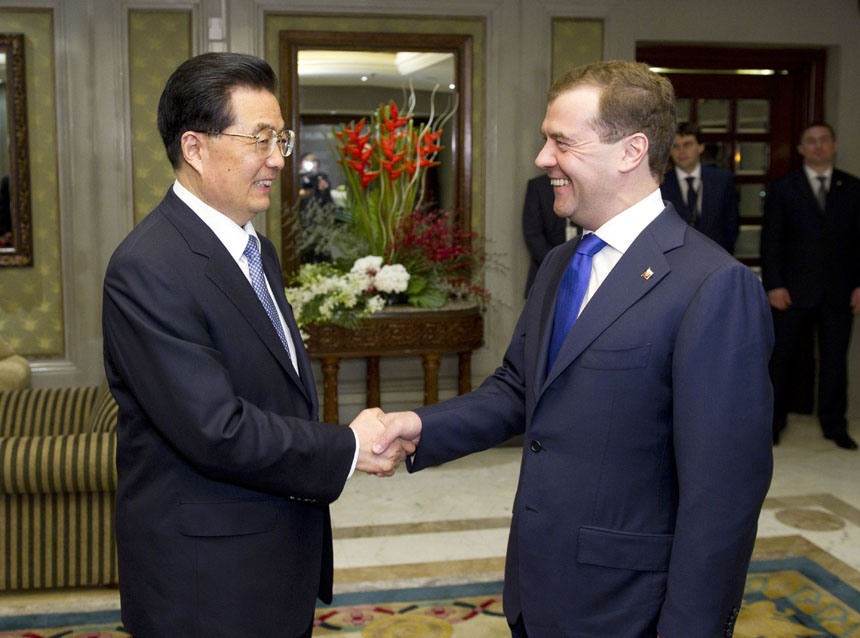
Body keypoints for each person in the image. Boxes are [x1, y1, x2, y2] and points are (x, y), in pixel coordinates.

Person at [374, 60, 774, 637]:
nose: (542, 158)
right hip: (538, 587)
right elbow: (519, 387)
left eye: (561, 141)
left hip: (628, 605)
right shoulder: (563, 262)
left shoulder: (714, 287)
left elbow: (723, 499)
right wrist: (419, 425)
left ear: (630, 151)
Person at [102, 53, 410, 638]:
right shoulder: (148, 267)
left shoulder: (253, 249)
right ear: (194, 148)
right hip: (207, 583)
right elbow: (215, 429)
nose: (277, 159)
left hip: (272, 558)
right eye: (259, 138)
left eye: (281, 139)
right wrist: (347, 447)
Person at [760, 121, 860, 449]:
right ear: (801, 149)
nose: (817, 146)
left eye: (824, 141)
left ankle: (834, 425)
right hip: (791, 291)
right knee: (782, 359)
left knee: (835, 362)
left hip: (839, 292)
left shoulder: (854, 187)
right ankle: (773, 423)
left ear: (834, 145)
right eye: (811, 142)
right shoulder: (784, 188)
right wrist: (774, 284)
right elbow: (771, 241)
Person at [661, 121, 739, 253]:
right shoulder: (661, 184)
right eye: (675, 146)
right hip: (676, 261)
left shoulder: (722, 180)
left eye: (688, 145)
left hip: (716, 259)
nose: (682, 151)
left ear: (701, 147)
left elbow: (731, 225)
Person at [521, 173, 579, 296]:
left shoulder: (583, 181)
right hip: (545, 271)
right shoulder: (538, 186)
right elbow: (533, 235)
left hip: (582, 271)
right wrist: (558, 264)